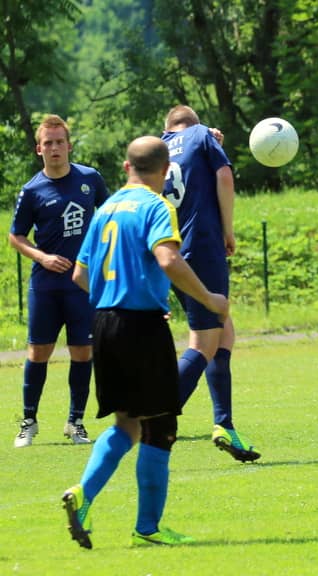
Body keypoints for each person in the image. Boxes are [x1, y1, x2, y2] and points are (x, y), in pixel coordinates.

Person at [61, 135, 229, 548]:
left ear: (126, 167)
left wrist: (119, 298)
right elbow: (168, 258)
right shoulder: (157, 206)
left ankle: (84, 495)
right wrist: (209, 300)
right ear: (166, 171)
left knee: (127, 422)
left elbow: (80, 275)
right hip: (140, 326)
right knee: (161, 425)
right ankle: (148, 528)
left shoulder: (105, 209)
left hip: (103, 324)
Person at [161, 105, 259, 462]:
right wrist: (227, 230)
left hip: (170, 251)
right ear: (194, 124)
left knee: (222, 330)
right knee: (205, 342)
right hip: (202, 245)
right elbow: (225, 177)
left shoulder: (156, 148)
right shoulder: (202, 135)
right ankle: (157, 414)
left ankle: (224, 423)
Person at [8, 114, 109, 448]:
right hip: (46, 285)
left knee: (82, 351)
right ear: (39, 149)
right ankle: (28, 421)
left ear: (69, 145)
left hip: (82, 283)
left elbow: (109, 214)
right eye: (48, 143)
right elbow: (16, 236)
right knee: (39, 351)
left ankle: (75, 422)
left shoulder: (90, 179)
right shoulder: (31, 190)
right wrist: (42, 257)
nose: (54, 148)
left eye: (59, 142)